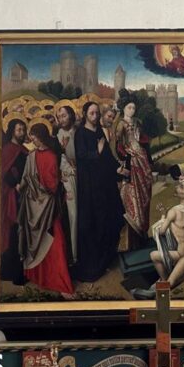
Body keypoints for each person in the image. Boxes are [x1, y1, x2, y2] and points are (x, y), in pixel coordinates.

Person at [17, 123, 74, 297]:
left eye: (34, 136)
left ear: (41, 136)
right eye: (31, 137)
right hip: (37, 204)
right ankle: (40, 277)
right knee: (51, 241)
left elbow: (52, 184)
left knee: (56, 242)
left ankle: (60, 282)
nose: (32, 140)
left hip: (46, 207)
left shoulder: (49, 156)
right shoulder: (32, 156)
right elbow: (28, 179)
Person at [72, 102, 125, 282]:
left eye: (96, 113)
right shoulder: (80, 133)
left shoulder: (99, 131)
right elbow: (81, 156)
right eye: (91, 113)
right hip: (90, 188)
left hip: (104, 185)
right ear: (85, 114)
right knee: (93, 225)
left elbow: (107, 157)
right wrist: (97, 151)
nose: (95, 116)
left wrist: (118, 169)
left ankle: (106, 259)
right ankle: (93, 266)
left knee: (111, 220)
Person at [134, 177, 184, 299]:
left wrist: (163, 219)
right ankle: (163, 279)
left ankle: (152, 294)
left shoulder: (174, 211)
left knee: (170, 283)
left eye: (181, 187)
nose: (177, 187)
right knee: (154, 255)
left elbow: (161, 231)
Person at [115, 94, 153, 252]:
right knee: (131, 197)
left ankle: (143, 233)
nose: (132, 110)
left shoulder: (138, 123)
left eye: (134, 108)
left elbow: (145, 142)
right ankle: (132, 241)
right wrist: (126, 156)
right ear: (123, 108)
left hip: (142, 160)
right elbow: (118, 145)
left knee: (145, 195)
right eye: (129, 107)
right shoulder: (120, 124)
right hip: (131, 160)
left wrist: (146, 152)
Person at [0, 118, 29, 284]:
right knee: (13, 233)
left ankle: (16, 271)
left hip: (22, 194)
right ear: (12, 131)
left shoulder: (23, 149)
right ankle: (13, 273)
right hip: (12, 195)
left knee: (20, 232)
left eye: (23, 130)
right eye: (19, 130)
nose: (22, 133)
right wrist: (15, 184)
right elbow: (3, 172)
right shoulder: (7, 150)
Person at [56, 105, 79, 262]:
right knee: (72, 214)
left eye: (64, 115)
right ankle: (74, 255)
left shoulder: (78, 132)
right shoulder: (58, 135)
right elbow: (58, 160)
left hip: (81, 176)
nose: (62, 119)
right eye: (59, 117)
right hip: (67, 179)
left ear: (71, 115)